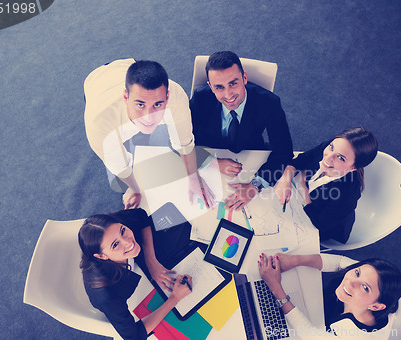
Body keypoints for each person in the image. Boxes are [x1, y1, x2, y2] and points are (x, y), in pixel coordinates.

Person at [84, 58, 214, 210]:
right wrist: (135, 189)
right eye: (140, 105)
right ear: (126, 97)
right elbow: (121, 168)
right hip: (95, 83)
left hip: (124, 66)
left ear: (167, 97)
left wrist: (193, 178)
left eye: (157, 104)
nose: (149, 117)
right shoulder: (101, 127)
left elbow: (185, 143)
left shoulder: (177, 97)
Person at [190, 51, 293, 210]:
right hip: (210, 154)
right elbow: (179, 141)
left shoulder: (269, 103)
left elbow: (284, 152)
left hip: (250, 152)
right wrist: (212, 162)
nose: (228, 94)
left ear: (244, 78)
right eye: (219, 87)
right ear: (210, 86)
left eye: (233, 83)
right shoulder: (200, 98)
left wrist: (254, 186)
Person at [78, 208, 192, 340]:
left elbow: (141, 215)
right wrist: (175, 298)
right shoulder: (107, 296)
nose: (128, 242)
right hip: (131, 299)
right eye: (115, 244)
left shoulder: (113, 226)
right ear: (102, 256)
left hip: (141, 268)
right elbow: (135, 336)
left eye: (123, 231)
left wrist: (151, 262)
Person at [259, 253, 401, 339]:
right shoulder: (370, 276)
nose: (350, 281)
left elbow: (308, 333)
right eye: (357, 273)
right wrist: (295, 260)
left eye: (365, 287)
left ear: (376, 306)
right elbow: (340, 262)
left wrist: (275, 287)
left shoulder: (353, 336)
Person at [274, 127, 378, 243]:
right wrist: (285, 179)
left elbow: (321, 227)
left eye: (340, 158)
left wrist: (304, 190)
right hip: (297, 201)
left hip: (319, 226)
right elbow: (299, 160)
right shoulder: (327, 147)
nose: (327, 157)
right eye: (332, 147)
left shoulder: (347, 195)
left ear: (353, 167)